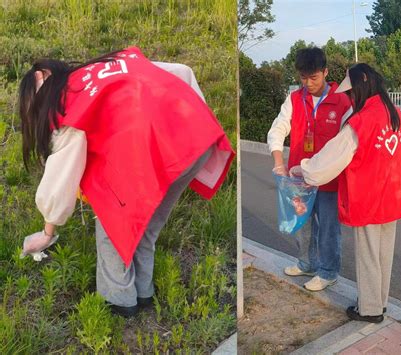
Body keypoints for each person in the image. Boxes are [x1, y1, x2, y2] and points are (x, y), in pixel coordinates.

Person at [19, 46, 235, 317]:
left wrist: (47, 233)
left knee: (114, 224)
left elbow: (61, 177)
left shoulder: (68, 107)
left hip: (157, 152)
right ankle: (144, 293)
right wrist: (196, 120)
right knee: (146, 225)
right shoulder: (107, 65)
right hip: (196, 137)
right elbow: (182, 72)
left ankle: (119, 301)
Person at [290, 63, 401, 323]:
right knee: (383, 255)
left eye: (352, 92)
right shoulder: (395, 114)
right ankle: (381, 302)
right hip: (390, 197)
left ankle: (369, 310)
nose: (350, 97)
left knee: (368, 256)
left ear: (362, 84)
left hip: (368, 198)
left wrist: (305, 169)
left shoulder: (362, 120)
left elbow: (334, 156)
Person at [267, 47, 352, 291]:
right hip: (298, 178)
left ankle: (328, 272)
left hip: (329, 180)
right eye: (303, 78)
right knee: (302, 224)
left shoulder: (342, 101)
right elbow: (278, 129)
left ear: (325, 72)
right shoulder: (294, 99)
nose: (308, 83)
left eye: (314, 77)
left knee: (328, 228)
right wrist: (278, 162)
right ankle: (307, 263)